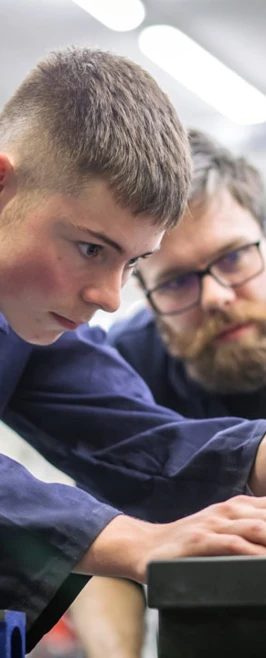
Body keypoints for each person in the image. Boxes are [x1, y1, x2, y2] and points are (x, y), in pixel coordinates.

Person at [1, 50, 266, 657]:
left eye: (133, 264)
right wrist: (132, 541)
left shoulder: (30, 316)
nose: (112, 299)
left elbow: (130, 437)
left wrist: (255, 454)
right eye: (92, 249)